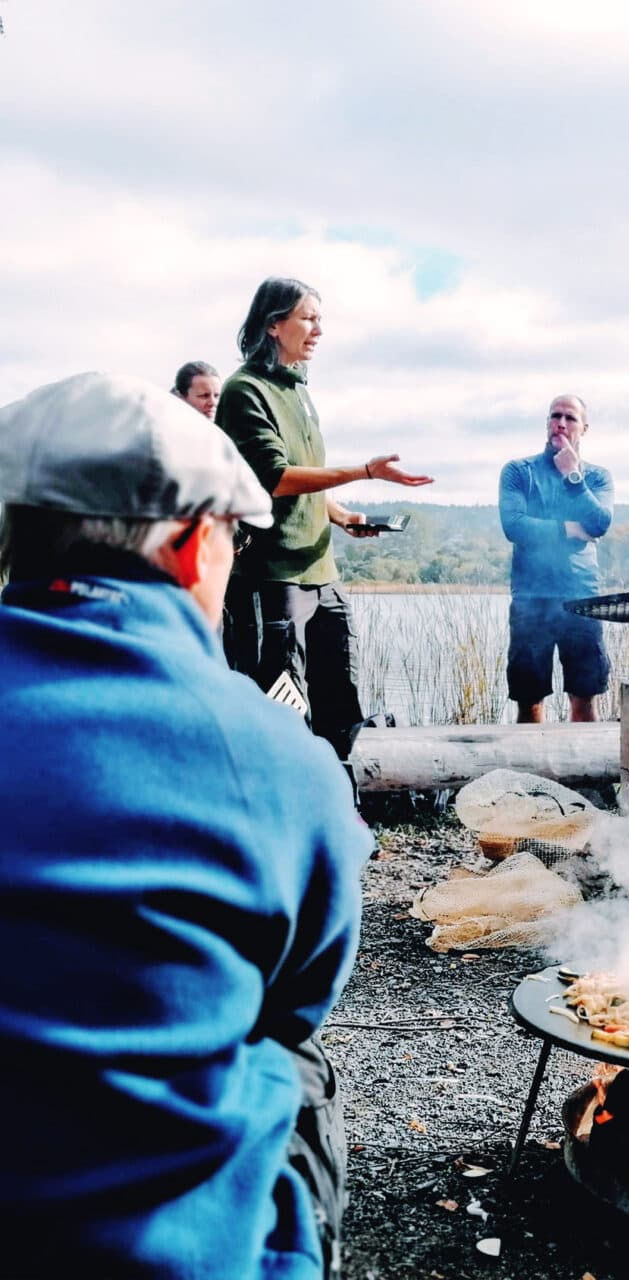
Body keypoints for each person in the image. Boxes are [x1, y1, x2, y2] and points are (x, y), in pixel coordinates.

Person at [0, 372, 374, 1277]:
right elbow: (295, 1002)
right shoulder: (279, 762)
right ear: (183, 543)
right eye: (233, 541)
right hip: (172, 1256)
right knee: (296, 1062)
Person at [216, 276, 432, 764]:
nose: (318, 331)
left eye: (320, 320)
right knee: (280, 705)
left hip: (323, 576)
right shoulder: (244, 391)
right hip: (274, 577)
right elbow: (274, 478)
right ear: (274, 325)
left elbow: (303, 479)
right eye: (308, 318)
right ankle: (279, 814)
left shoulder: (299, 390)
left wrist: (342, 515)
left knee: (339, 701)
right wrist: (366, 472)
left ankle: (338, 806)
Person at [499, 393, 613, 722]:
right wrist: (567, 528)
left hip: (582, 597)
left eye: (569, 418)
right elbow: (514, 526)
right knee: (528, 698)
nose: (560, 424)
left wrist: (572, 476)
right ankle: (531, 772)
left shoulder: (596, 477)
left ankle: (588, 774)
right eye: (554, 416)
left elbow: (599, 523)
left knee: (585, 696)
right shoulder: (519, 471)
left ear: (584, 427)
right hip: (531, 598)